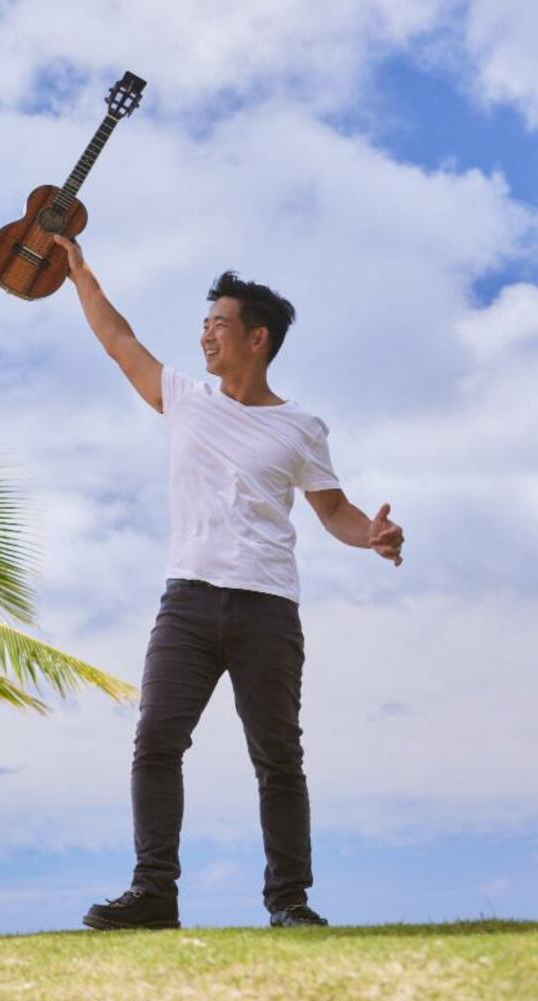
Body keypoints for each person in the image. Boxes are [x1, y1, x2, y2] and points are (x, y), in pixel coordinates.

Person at [49, 234, 405, 930]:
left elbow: (333, 510)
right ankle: (154, 892)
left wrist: (375, 534)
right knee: (156, 740)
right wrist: (80, 272)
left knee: (277, 756)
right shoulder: (185, 398)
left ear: (256, 338)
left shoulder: (301, 426)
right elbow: (118, 338)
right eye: (204, 322)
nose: (204, 334)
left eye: (218, 323)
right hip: (184, 601)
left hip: (268, 608)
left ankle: (290, 902)